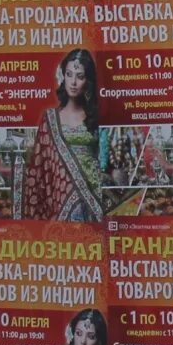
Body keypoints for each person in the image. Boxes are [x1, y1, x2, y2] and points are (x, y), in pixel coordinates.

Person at [22, 50, 103, 221]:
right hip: (60, 196)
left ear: (88, 81)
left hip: (95, 193)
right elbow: (39, 166)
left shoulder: (96, 116)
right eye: (69, 74)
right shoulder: (50, 118)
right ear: (63, 76)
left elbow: (106, 156)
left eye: (80, 76)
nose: (73, 82)